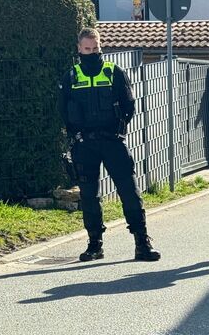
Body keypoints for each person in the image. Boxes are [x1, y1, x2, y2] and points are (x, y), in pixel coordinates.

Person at [58, 28, 161, 262]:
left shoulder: (114, 72)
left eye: (95, 48)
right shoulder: (71, 77)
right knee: (89, 196)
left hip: (112, 141)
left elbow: (129, 106)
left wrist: (118, 129)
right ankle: (94, 244)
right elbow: (63, 110)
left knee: (129, 192)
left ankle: (141, 242)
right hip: (84, 144)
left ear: (100, 47)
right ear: (79, 49)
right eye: (87, 49)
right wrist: (75, 136)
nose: (92, 53)